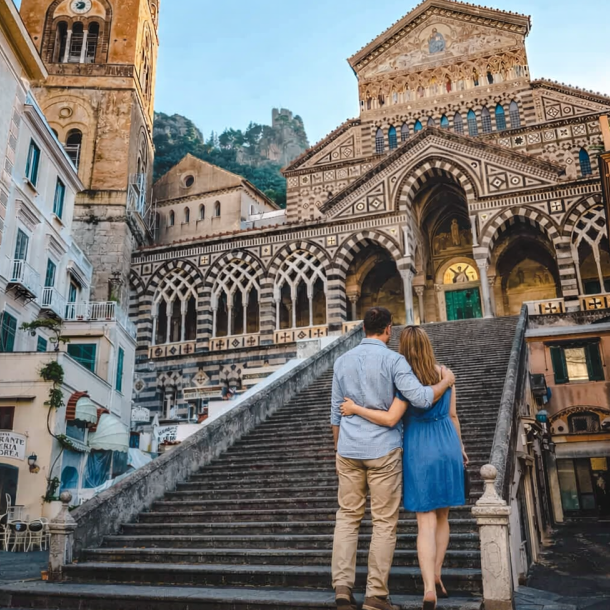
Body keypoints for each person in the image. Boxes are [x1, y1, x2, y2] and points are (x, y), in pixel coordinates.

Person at [331, 308, 455, 610]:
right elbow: (423, 398)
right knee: (384, 523)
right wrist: (446, 382)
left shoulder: (341, 361)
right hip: (383, 450)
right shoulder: (394, 360)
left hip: (348, 450)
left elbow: (335, 412)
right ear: (388, 330)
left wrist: (340, 448)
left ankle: (342, 589)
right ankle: (375, 595)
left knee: (347, 518)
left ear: (362, 328)